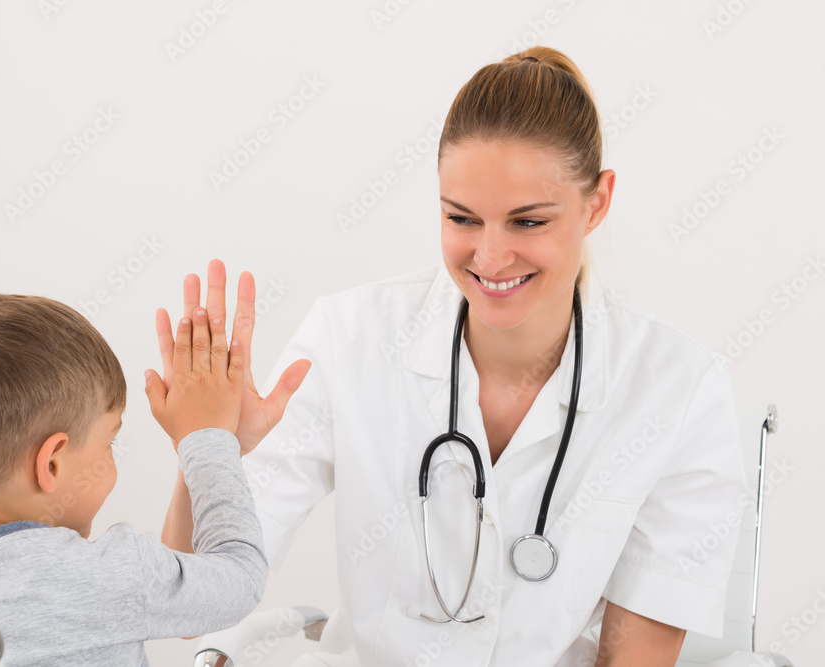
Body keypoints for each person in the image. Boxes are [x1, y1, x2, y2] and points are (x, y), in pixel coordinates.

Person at [161, 47, 748, 666]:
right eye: (461, 218)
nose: (490, 258)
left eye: (527, 223)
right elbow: (193, 607)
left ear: (596, 203)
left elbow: (635, 659)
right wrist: (207, 444)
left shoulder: (678, 389)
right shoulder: (349, 337)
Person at [0, 292, 268, 665]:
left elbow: (188, 611)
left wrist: (197, 450)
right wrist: (208, 442)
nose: (112, 457)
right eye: (110, 442)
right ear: (52, 464)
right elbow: (239, 575)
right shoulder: (120, 574)